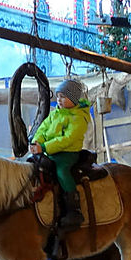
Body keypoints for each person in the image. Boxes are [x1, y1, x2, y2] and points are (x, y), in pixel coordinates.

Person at [29, 79, 91, 231]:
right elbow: (43, 128)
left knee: (62, 171)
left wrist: (43, 147)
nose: (59, 100)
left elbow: (67, 139)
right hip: (50, 150)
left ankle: (74, 209)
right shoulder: (55, 113)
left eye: (63, 96)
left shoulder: (79, 117)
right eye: (58, 96)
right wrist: (37, 141)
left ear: (74, 98)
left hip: (67, 153)